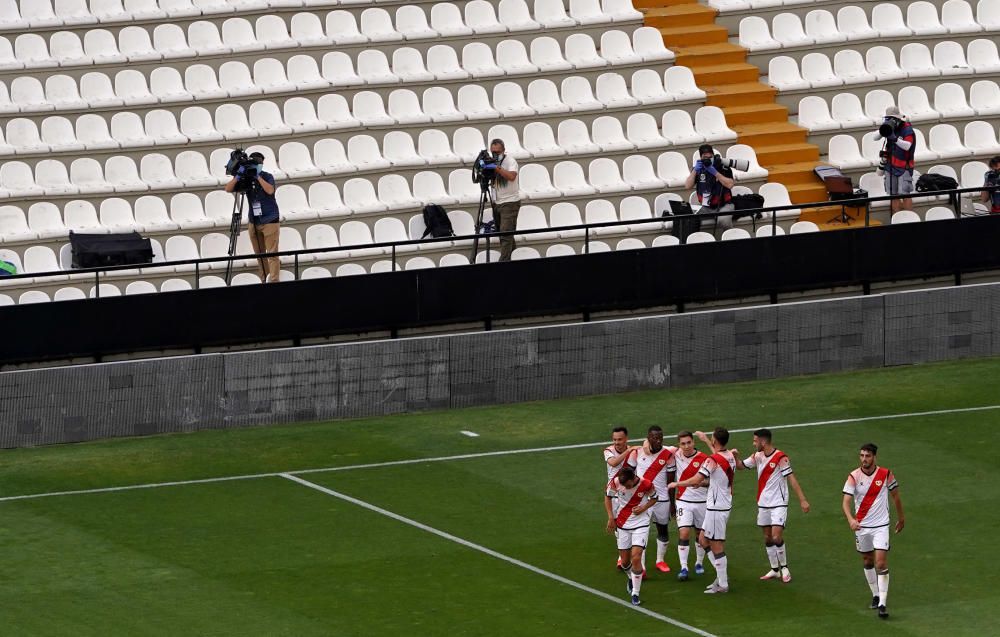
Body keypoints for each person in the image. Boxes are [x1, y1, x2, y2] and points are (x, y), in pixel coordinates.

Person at [668, 427, 737, 594]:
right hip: (719, 505)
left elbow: (697, 479)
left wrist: (677, 484)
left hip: (716, 507)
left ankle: (723, 583)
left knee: (717, 545)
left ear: (715, 440)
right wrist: (706, 440)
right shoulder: (729, 456)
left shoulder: (712, 460)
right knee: (703, 539)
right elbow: (716, 461)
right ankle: (720, 579)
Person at [737, 428, 810, 583]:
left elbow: (791, 478)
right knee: (767, 537)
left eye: (755, 441)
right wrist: (735, 457)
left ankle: (784, 568)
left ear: (763, 441)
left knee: (776, 536)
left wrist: (802, 500)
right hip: (763, 503)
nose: (753, 443)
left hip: (778, 503)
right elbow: (741, 466)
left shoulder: (780, 458)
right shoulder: (757, 456)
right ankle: (774, 569)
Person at [842, 443, 904, 620]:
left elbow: (896, 496)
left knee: (881, 563)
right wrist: (851, 520)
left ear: (874, 457)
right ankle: (876, 595)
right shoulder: (853, 476)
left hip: (881, 526)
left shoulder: (886, 474)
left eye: (867, 456)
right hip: (862, 526)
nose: (864, 459)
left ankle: (883, 604)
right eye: (861, 455)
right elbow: (845, 501)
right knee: (867, 560)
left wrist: (901, 518)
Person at [224, 151, 280, 283]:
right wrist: (238, 176)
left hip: (270, 219)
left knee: (272, 254)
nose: (258, 165)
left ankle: (274, 281)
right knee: (260, 255)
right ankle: (264, 279)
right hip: (254, 221)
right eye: (256, 163)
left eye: (260, 163)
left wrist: (258, 177)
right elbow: (228, 188)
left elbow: (270, 190)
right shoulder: (246, 178)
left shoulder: (267, 176)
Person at [605, 466, 657, 606]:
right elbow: (608, 497)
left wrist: (643, 508)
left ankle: (635, 593)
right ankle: (631, 577)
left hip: (641, 523)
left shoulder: (646, 484)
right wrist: (611, 517)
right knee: (624, 562)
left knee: (636, 557)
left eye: (627, 484)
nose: (625, 487)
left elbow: (654, 498)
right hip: (622, 524)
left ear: (633, 478)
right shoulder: (616, 482)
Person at [633, 425, 676, 574]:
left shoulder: (669, 454)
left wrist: (672, 504)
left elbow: (670, 482)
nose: (658, 440)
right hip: (643, 500)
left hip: (662, 499)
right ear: (648, 437)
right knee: (642, 532)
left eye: (660, 437)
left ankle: (660, 560)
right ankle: (642, 567)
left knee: (662, 530)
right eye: (654, 437)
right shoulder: (638, 452)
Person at [672, 430, 710, 581]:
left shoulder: (704, 459)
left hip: (702, 502)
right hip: (683, 500)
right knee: (684, 533)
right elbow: (648, 444)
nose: (686, 446)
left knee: (700, 534)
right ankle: (684, 567)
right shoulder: (675, 454)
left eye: (689, 442)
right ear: (679, 445)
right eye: (683, 444)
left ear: (693, 442)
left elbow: (714, 481)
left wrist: (701, 483)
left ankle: (699, 563)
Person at [603, 426, 637, 570]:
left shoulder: (634, 452)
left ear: (626, 439)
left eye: (620, 439)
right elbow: (613, 463)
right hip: (614, 494)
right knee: (618, 526)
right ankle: (621, 557)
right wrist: (628, 451)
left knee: (630, 525)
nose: (617, 442)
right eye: (615, 439)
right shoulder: (608, 451)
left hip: (630, 494)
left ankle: (629, 556)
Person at [872, 106, 916, 214]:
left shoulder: (907, 129)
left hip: (904, 167)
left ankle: (909, 220)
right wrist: (884, 128)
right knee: (893, 195)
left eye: (893, 119)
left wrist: (895, 139)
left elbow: (907, 146)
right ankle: (897, 219)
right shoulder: (888, 127)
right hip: (890, 166)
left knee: (905, 195)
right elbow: (874, 137)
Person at [684, 144, 736, 233]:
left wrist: (715, 172)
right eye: (705, 157)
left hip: (724, 205)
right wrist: (695, 171)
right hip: (706, 206)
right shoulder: (698, 169)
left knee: (724, 220)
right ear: (700, 157)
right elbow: (687, 186)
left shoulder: (723, 167)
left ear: (713, 156)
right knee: (686, 214)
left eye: (710, 157)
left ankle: (732, 240)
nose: (708, 159)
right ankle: (694, 240)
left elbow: (730, 184)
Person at [486, 139, 521, 261]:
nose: (495, 154)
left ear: (503, 150)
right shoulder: (491, 161)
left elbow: (511, 177)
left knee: (505, 233)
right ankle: (514, 257)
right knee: (504, 234)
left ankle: (503, 263)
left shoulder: (510, 161)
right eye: (493, 152)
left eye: (498, 152)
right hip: (497, 202)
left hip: (510, 202)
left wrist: (496, 168)